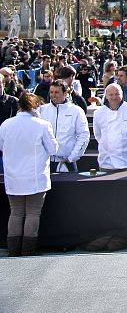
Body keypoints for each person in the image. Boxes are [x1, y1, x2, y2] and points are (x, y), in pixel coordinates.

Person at [0, 92, 58, 256]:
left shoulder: (6, 124)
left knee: (16, 212)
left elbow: (2, 146)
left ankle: (13, 248)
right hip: (35, 176)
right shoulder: (42, 124)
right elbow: (53, 149)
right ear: (35, 106)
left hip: (13, 176)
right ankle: (28, 249)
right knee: (33, 213)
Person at [93, 84, 127, 172]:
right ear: (106, 96)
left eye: (117, 94)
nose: (114, 97)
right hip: (106, 162)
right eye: (111, 95)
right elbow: (98, 135)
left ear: (122, 94)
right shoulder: (98, 113)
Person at [39, 80, 90, 173]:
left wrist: (72, 157)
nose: (53, 95)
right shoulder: (42, 110)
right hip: (45, 163)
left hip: (67, 162)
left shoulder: (76, 111)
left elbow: (84, 136)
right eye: (51, 92)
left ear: (65, 93)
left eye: (56, 92)